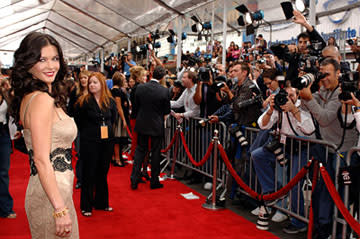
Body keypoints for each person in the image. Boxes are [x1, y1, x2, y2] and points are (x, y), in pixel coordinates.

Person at [10, 32, 79, 238]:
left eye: (55, 58)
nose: (51, 66)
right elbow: (41, 159)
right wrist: (59, 209)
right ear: (28, 64)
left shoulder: (35, 97)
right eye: (42, 60)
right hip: (51, 195)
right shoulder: (41, 100)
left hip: (54, 190)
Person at [74, 72, 117, 217]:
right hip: (89, 141)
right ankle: (86, 206)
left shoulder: (109, 101)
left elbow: (113, 118)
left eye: (95, 82)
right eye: (90, 82)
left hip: (107, 141)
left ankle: (101, 202)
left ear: (102, 85)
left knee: (102, 172)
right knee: (89, 173)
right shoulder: (83, 102)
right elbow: (78, 122)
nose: (92, 85)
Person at [130, 66, 171, 190]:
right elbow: (166, 111)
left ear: (151, 74)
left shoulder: (141, 88)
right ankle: (154, 181)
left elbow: (135, 107)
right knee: (156, 153)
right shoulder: (164, 91)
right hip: (156, 125)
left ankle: (134, 178)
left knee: (140, 151)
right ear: (163, 77)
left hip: (142, 123)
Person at [67, 70, 91, 189]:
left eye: (85, 78)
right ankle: (80, 179)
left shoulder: (93, 92)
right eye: (81, 78)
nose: (83, 80)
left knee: (91, 154)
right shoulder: (75, 92)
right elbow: (70, 109)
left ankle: (89, 178)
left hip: (91, 127)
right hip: (79, 127)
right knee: (80, 153)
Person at [0, 85, 17, 219]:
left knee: (3, 172)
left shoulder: (5, 94)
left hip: (3, 134)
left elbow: (12, 114)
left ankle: (5, 208)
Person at [111, 72, 129, 167]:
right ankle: (117, 159)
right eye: (124, 79)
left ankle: (115, 157)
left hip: (116, 117)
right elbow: (119, 107)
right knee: (117, 139)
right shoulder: (117, 91)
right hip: (118, 118)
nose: (125, 80)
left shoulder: (114, 90)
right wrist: (124, 120)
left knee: (117, 139)